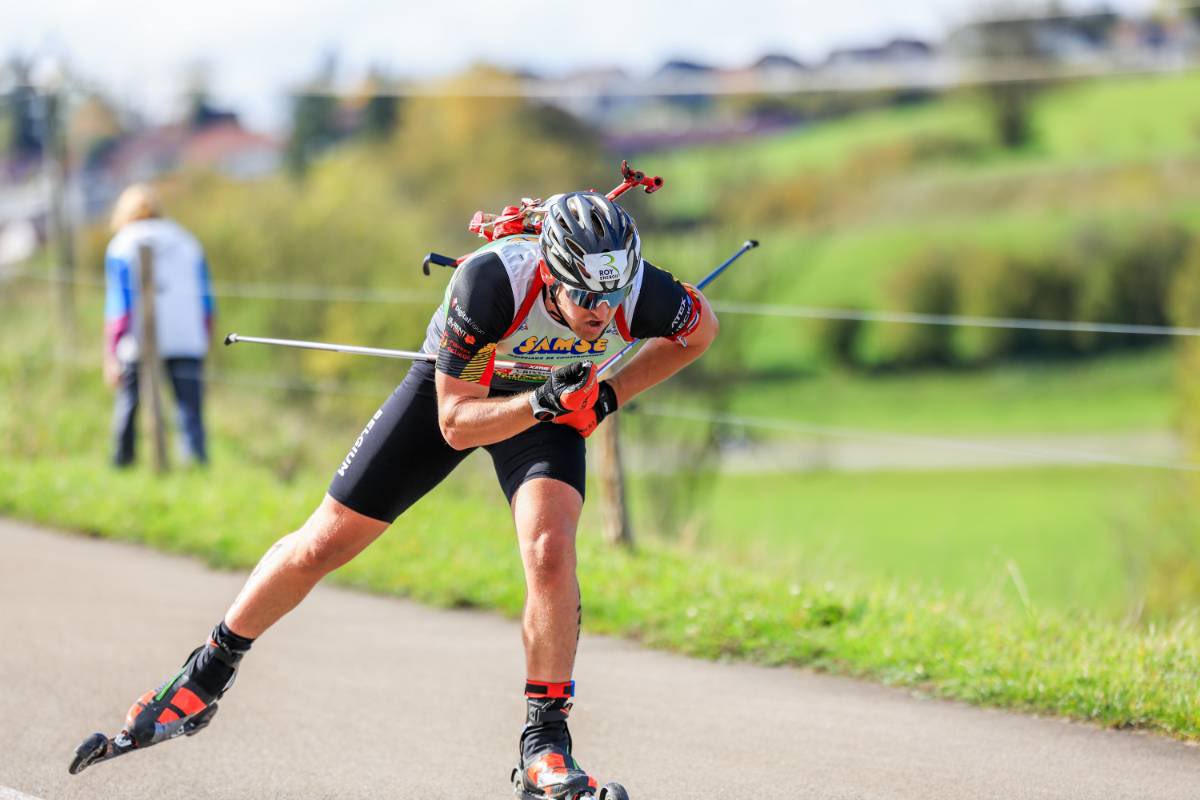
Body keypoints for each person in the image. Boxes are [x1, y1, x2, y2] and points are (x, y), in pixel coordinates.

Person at [117, 191, 718, 798]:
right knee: (324, 542)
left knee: (550, 549)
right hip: (462, 393)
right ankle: (208, 672)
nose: (602, 312)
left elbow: (700, 331)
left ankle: (545, 746)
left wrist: (608, 396)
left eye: (614, 297)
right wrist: (540, 401)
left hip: (551, 401)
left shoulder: (640, 291)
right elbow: (455, 421)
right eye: (587, 298)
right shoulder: (492, 284)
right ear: (551, 271)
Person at [103, 183, 215, 467]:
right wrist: (206, 335)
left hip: (139, 337)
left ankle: (122, 462)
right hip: (186, 335)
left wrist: (112, 351)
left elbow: (120, 307)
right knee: (189, 407)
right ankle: (196, 463)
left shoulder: (121, 244)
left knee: (129, 402)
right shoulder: (188, 242)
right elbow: (206, 299)